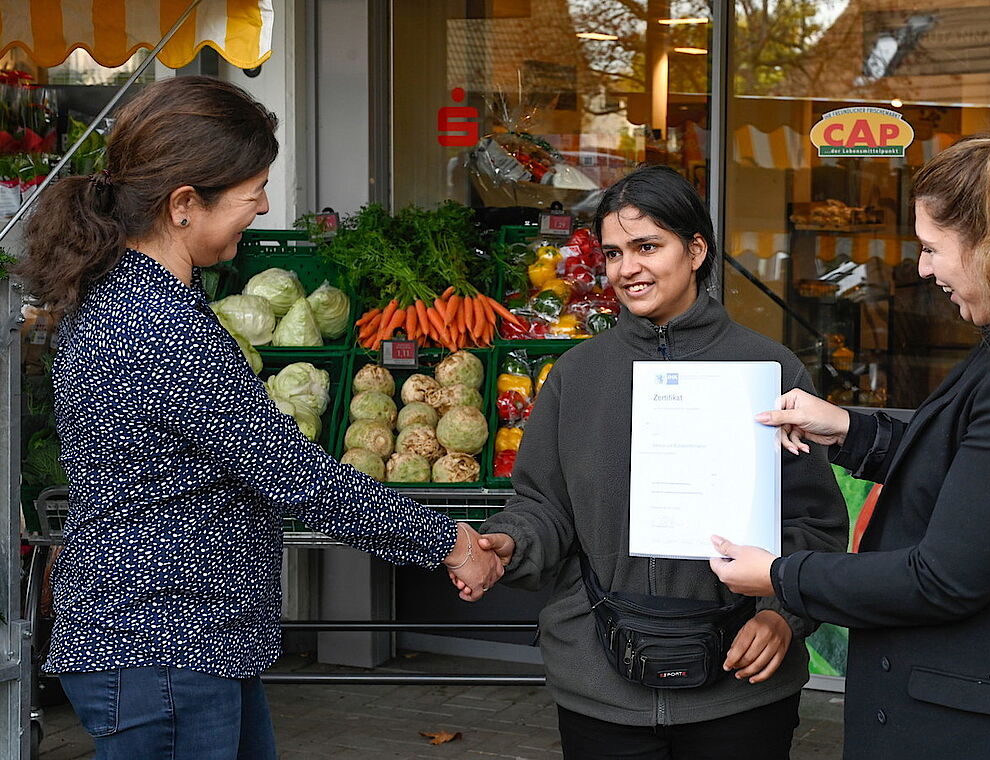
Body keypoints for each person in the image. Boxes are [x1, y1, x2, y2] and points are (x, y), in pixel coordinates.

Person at [15, 76, 501, 759]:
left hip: (182, 640)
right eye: (255, 191)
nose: (266, 206)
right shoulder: (157, 327)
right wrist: (450, 542)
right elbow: (294, 473)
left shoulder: (129, 298)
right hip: (164, 644)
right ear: (185, 205)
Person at [709, 112, 990, 759]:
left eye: (934, 247)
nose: (924, 267)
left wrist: (778, 574)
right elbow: (973, 477)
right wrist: (847, 429)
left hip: (986, 726)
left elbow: (943, 578)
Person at [459, 165, 849, 759]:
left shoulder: (769, 371)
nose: (627, 269)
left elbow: (814, 523)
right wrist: (511, 543)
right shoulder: (575, 376)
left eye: (647, 247)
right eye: (613, 253)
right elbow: (543, 506)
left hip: (739, 682)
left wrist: (780, 616)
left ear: (696, 250)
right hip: (600, 681)